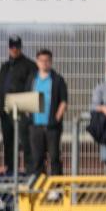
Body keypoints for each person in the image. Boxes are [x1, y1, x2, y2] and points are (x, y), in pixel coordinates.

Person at [0, 36, 37, 175]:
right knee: (8, 143)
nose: (14, 49)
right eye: (12, 47)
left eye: (17, 47)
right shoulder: (5, 66)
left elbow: (31, 87)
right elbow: (1, 88)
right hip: (6, 111)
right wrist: (0, 108)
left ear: (20, 48)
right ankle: (10, 172)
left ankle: (30, 173)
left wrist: (26, 107)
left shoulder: (29, 66)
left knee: (26, 142)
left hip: (22, 110)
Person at [25, 49, 68, 177]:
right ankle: (40, 184)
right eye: (41, 60)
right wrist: (28, 114)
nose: (44, 63)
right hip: (35, 126)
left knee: (54, 157)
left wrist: (57, 118)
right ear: (37, 62)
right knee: (37, 158)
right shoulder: (32, 79)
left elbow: (64, 101)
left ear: (51, 62)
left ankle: (56, 185)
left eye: (47, 60)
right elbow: (26, 97)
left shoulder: (57, 79)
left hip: (52, 126)